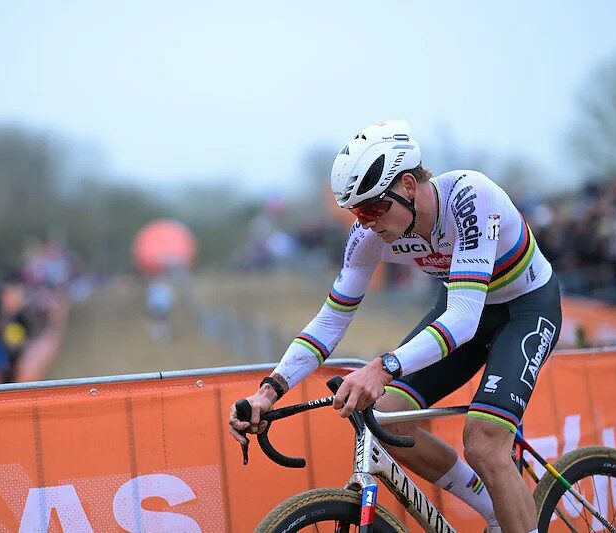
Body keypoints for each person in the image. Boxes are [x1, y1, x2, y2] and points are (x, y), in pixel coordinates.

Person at [229, 121, 562, 533]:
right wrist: (270, 390)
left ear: (407, 185)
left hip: (524, 308)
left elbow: (463, 319)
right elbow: (332, 318)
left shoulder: (471, 197)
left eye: (371, 209)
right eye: (356, 212)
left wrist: (382, 367)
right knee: (387, 417)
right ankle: (494, 509)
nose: (365, 222)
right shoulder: (370, 234)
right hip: (464, 307)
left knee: (484, 443)